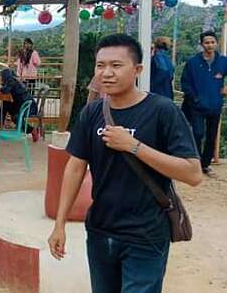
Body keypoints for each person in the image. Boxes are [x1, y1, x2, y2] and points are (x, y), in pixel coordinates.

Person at [48, 34, 202, 293]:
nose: (106, 73)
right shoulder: (92, 112)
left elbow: (193, 173)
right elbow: (75, 167)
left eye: (116, 65)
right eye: (100, 66)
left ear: (137, 70)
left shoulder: (163, 111)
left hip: (146, 234)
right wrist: (59, 224)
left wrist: (134, 146)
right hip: (100, 230)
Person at [181, 30, 227, 176]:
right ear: (201, 44)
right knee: (197, 133)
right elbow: (185, 83)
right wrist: (194, 98)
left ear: (216, 43)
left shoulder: (223, 61)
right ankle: (194, 163)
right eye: (206, 42)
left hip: (215, 105)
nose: (210, 45)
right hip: (197, 106)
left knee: (211, 136)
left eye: (212, 42)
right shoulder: (193, 62)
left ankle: (205, 165)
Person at [0, 68, 39, 142]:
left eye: (1, 76)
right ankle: (0, 122)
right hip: (24, 103)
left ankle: (32, 130)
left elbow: (5, 90)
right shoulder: (13, 80)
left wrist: (1, 87)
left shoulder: (11, 81)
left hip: (27, 106)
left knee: (15, 116)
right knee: (5, 104)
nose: (0, 77)